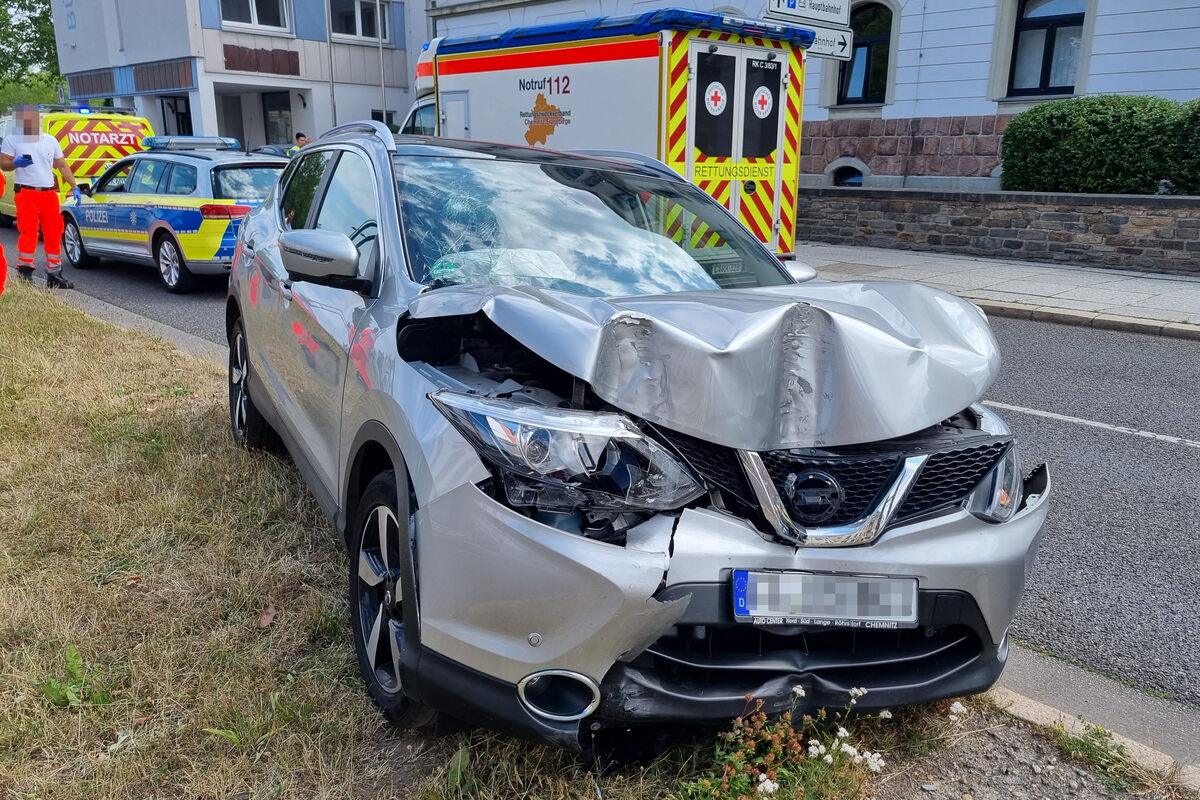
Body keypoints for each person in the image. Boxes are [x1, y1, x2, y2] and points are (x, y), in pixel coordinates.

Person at [0, 104, 83, 289]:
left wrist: (74, 186)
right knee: (29, 232)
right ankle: (25, 270)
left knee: (54, 233)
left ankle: (54, 273)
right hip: (27, 193)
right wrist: (15, 163)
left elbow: (62, 166)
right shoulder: (13, 140)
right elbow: (4, 164)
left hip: (48, 193)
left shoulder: (50, 141)